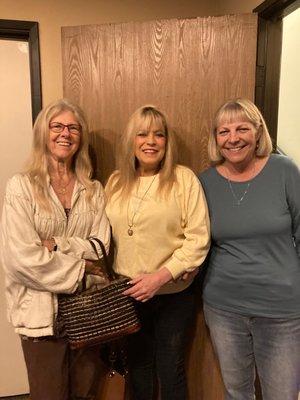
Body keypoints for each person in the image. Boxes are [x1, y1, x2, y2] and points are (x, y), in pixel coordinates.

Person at [0, 99, 110, 400]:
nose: (66, 133)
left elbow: (100, 250)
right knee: (49, 394)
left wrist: (58, 246)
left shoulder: (94, 190)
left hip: (88, 310)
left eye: (73, 127)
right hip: (39, 315)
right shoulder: (21, 187)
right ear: (43, 133)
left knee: (86, 394)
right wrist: (82, 266)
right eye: (57, 126)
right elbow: (22, 259)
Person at [105, 105, 210, 400]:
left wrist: (160, 277)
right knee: (138, 371)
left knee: (170, 369)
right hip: (128, 294)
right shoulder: (115, 182)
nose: (150, 141)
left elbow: (198, 239)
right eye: (142, 134)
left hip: (173, 293)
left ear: (167, 142)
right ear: (131, 141)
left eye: (158, 134)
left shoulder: (183, 179)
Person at [199, 98, 300, 400]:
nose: (233, 138)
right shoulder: (205, 182)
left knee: (282, 395)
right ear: (215, 139)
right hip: (224, 308)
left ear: (258, 132)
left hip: (282, 310)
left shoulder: (284, 171)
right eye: (224, 131)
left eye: (242, 128)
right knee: (237, 393)